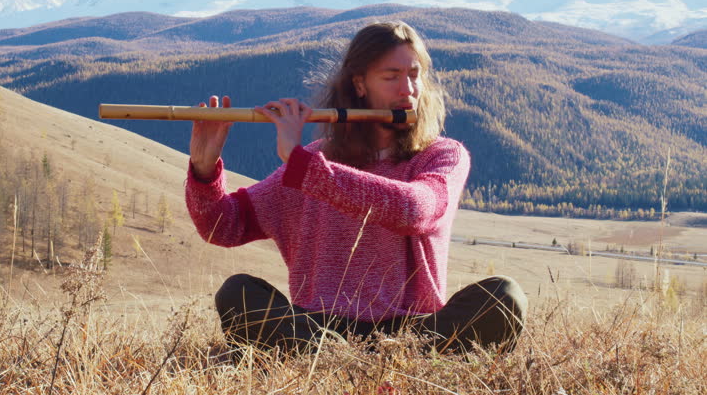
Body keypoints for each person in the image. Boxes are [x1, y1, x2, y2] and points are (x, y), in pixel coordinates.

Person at [185, 21, 527, 357]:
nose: (407, 90)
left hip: (414, 331)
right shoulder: (315, 161)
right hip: (319, 326)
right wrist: (204, 170)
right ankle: (340, 356)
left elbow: (415, 210)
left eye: (414, 74)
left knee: (505, 297)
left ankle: (355, 359)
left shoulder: (442, 155)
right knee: (238, 292)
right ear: (360, 84)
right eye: (391, 77)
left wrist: (302, 164)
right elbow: (223, 226)